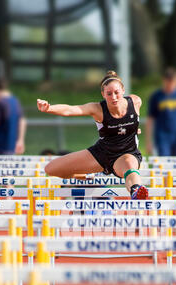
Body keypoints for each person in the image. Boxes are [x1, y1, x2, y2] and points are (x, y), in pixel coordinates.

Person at [37, 70, 148, 200]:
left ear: (123, 90)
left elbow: (133, 123)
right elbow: (71, 110)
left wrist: (135, 130)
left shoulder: (135, 102)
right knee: (51, 169)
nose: (114, 97)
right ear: (103, 94)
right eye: (109, 94)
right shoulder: (97, 109)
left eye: (117, 93)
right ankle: (86, 174)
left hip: (127, 154)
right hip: (102, 153)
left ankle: (136, 190)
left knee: (130, 166)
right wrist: (49, 108)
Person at [146, 68, 176, 157]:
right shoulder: (156, 96)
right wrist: (148, 141)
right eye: (169, 81)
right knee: (164, 162)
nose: (171, 85)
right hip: (162, 136)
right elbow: (150, 119)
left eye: (173, 82)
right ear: (164, 80)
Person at [0, 78, 26, 155]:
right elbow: (22, 121)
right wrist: (20, 140)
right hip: (12, 144)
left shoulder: (0, 102)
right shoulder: (15, 101)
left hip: (0, 145)